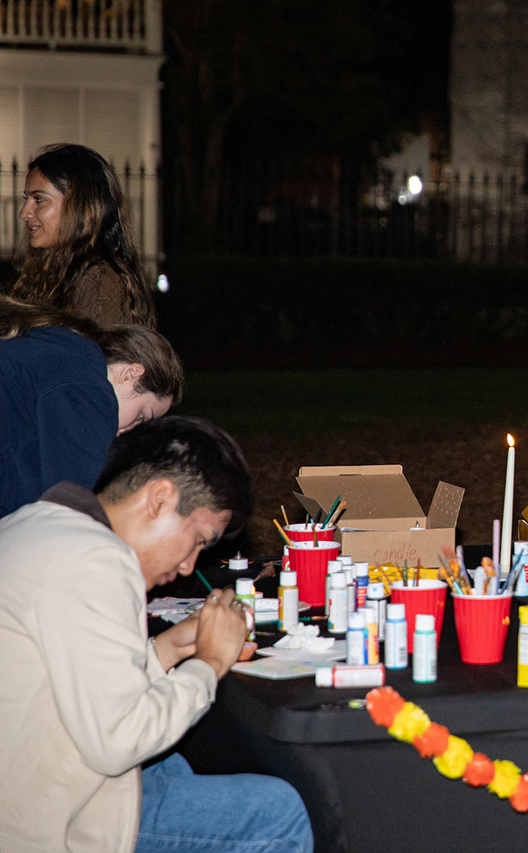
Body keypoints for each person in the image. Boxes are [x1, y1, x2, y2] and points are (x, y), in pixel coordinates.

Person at [0, 416, 313, 852]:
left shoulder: (37, 524)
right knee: (275, 813)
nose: (189, 566)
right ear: (160, 498)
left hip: (22, 778)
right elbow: (120, 740)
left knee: (174, 769)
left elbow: (78, 683)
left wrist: (167, 648)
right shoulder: (97, 560)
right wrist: (209, 663)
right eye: (200, 539)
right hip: (33, 821)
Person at [0, 295, 181, 517]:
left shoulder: (63, 357)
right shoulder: (89, 385)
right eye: (142, 416)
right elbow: (74, 504)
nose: (134, 429)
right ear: (132, 373)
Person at [11, 142, 157, 328]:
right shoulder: (55, 271)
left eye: (39, 199)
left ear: (79, 206)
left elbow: (91, 355)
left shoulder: (100, 280)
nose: (24, 213)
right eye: (27, 199)